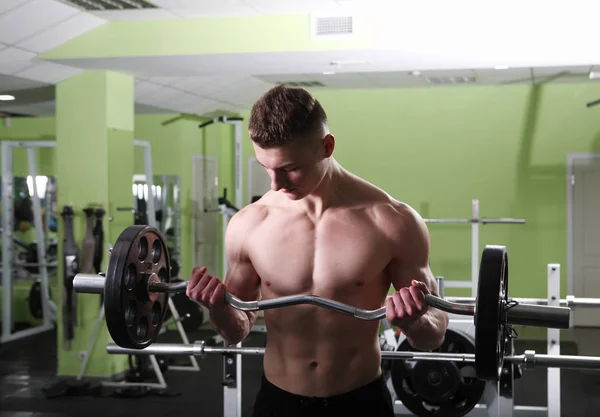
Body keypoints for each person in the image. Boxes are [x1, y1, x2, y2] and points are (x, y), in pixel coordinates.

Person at [186, 84, 449, 417]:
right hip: (278, 402)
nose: (275, 184)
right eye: (266, 167)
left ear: (327, 146)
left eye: (290, 168)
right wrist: (219, 309)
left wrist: (413, 323)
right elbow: (237, 329)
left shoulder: (391, 221)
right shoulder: (248, 225)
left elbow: (434, 335)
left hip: (360, 402)